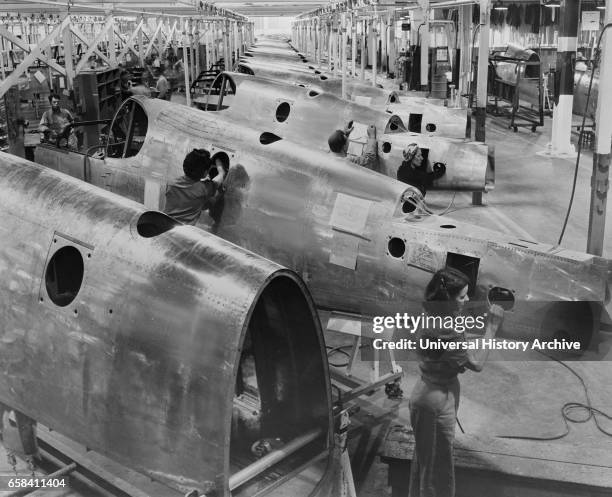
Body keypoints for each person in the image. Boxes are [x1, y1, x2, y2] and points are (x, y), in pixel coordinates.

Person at [408, 267, 504, 497]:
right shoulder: (446, 330)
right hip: (436, 401)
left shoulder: (431, 311)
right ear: (447, 299)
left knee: (426, 462)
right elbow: (477, 363)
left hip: (428, 391)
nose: (468, 299)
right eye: (462, 296)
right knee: (436, 473)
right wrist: (492, 326)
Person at [164, 149, 226, 225]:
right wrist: (218, 162)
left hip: (165, 225)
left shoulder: (171, 183)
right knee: (214, 197)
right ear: (205, 173)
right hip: (184, 231)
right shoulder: (205, 188)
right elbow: (221, 175)